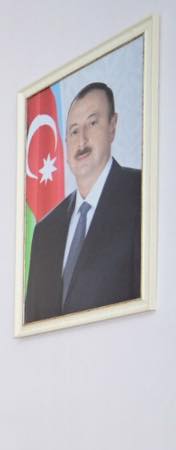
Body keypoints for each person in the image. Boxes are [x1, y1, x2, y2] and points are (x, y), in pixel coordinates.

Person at [24, 81, 142, 323]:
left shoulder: (141, 193)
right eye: (74, 131)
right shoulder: (44, 231)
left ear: (112, 126)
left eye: (92, 123)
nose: (82, 141)